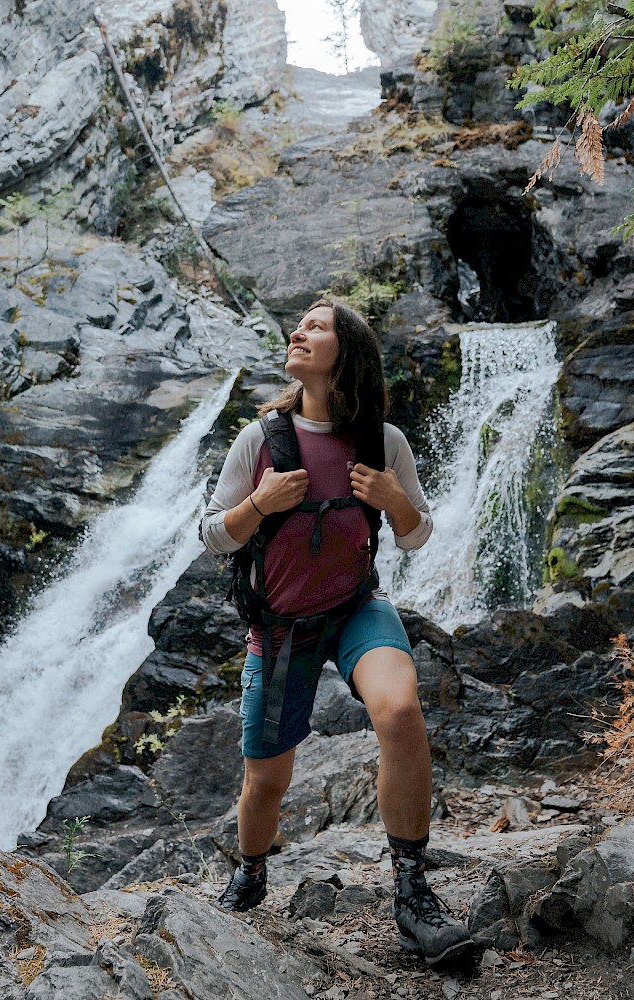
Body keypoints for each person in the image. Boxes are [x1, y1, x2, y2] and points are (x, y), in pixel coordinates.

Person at [199, 299, 475, 967]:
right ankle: (253, 871)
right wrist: (259, 504)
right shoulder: (261, 440)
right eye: (301, 324)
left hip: (357, 608)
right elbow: (213, 537)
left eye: (316, 326)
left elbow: (414, 537)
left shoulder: (384, 441)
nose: (299, 331)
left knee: (401, 712)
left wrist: (394, 499)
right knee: (266, 782)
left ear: (347, 353)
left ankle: (411, 894)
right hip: (281, 626)